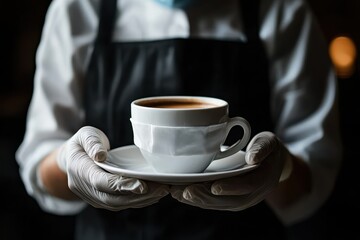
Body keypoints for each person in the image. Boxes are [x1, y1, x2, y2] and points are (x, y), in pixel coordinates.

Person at [16, 0, 343, 239]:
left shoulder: (283, 12)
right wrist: (69, 160)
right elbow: (39, 163)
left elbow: (313, 176)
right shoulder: (78, 10)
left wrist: (280, 168)